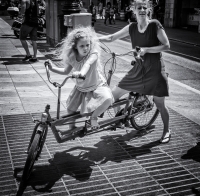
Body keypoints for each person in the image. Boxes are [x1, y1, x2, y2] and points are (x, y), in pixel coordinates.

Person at [99, 0, 171, 144]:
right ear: (134, 10)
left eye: (145, 7)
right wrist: (93, 39)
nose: (142, 10)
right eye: (139, 7)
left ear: (149, 10)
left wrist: (147, 49)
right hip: (138, 69)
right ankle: (120, 118)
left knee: (159, 103)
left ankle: (166, 130)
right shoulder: (132, 27)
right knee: (113, 94)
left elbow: (167, 45)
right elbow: (112, 37)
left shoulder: (154, 25)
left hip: (155, 70)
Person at [46, 27, 114, 130]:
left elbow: (87, 64)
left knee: (107, 99)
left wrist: (81, 73)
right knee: (70, 109)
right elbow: (65, 71)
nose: (85, 48)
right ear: (75, 47)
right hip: (81, 87)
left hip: (96, 85)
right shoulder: (72, 57)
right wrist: (52, 68)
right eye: (82, 46)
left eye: (87, 45)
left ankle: (94, 117)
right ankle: (72, 127)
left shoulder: (93, 53)